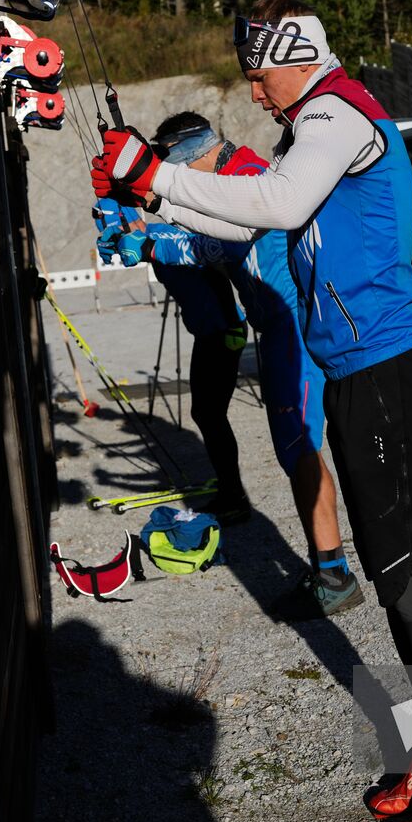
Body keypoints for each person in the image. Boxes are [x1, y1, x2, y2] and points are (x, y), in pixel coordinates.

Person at [91, 0, 412, 822]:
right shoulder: (312, 128)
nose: (250, 82)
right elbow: (251, 216)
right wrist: (156, 204)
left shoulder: (332, 112)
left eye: (258, 64)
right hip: (366, 373)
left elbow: (277, 206)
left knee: (406, 573)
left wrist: (159, 174)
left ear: (296, 55)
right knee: (399, 576)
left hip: (387, 370)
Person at [111, 111, 364, 618]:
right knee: (294, 448)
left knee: (301, 445)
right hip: (272, 329)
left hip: (291, 325)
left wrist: (156, 239)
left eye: (174, 168)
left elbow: (225, 239)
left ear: (190, 152)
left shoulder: (246, 177)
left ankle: (334, 574)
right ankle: (326, 566)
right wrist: (147, 225)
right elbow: (209, 244)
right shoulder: (229, 177)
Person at [94, 182, 250, 523]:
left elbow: (199, 258)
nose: (120, 233)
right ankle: (230, 489)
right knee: (205, 414)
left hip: (224, 332)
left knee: (209, 415)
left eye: (122, 225)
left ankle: (234, 496)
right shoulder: (145, 237)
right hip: (209, 333)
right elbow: (130, 246)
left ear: (134, 218)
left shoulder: (161, 234)